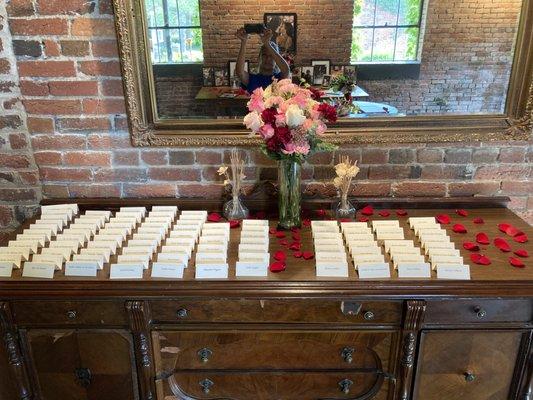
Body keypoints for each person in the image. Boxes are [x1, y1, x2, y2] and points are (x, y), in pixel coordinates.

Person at [235, 27, 290, 94]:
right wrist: (243, 42)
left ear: (276, 60)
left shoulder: (280, 78)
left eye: (271, 56)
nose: (268, 59)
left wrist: (267, 44)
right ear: (260, 58)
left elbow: (286, 70)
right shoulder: (253, 79)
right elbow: (239, 73)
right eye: (264, 55)